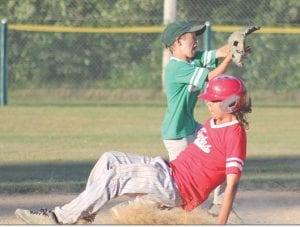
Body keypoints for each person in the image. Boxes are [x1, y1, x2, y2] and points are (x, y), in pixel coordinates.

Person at [15, 74, 252, 225]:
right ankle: (84, 217)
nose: (207, 103)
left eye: (213, 101)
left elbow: (231, 184)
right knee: (110, 159)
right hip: (167, 171)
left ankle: (59, 218)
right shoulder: (216, 121)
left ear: (230, 103)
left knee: (117, 176)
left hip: (175, 187)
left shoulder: (235, 135)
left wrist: (220, 224)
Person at [160, 20, 233, 216]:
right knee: (180, 185)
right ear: (178, 41)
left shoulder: (191, 60)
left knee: (222, 150)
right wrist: (231, 58)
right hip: (177, 133)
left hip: (190, 127)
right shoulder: (177, 68)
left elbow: (218, 52)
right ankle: (155, 210)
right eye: (193, 37)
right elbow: (213, 76)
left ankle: (218, 206)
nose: (196, 42)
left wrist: (235, 45)